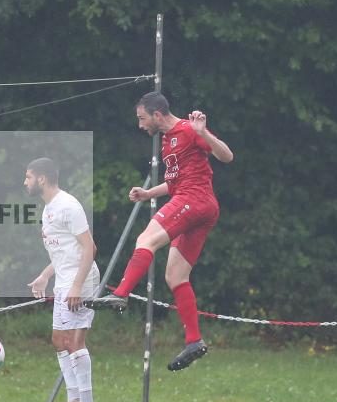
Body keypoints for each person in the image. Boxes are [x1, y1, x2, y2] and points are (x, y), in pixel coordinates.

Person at [86, 92, 233, 371]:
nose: (140, 125)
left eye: (142, 118)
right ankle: (194, 340)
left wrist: (205, 132)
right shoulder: (167, 142)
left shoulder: (189, 130)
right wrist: (147, 193)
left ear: (156, 115)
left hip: (195, 200)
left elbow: (227, 156)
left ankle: (120, 294)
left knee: (146, 239)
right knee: (175, 275)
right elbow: (174, 185)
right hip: (201, 205)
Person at [25, 158, 101, 402]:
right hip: (65, 279)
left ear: (42, 179)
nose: (26, 182)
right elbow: (63, 253)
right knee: (60, 340)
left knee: (74, 341)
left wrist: (78, 286)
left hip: (80, 280)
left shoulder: (68, 205)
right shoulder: (48, 211)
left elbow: (89, 249)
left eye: (29, 177)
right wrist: (45, 276)